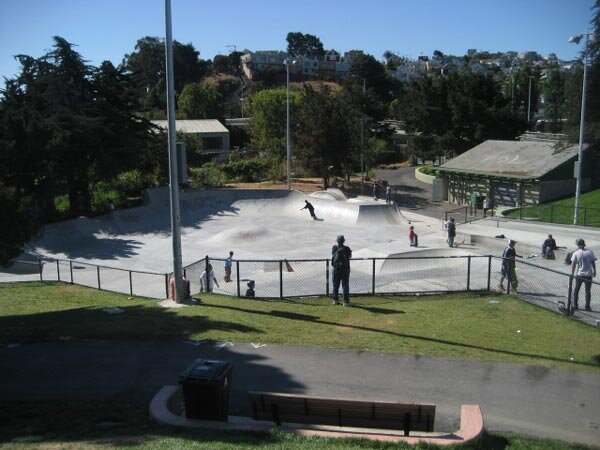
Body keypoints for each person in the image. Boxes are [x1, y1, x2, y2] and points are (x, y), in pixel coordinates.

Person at [571, 238, 596, 311]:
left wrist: (572, 273)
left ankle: (575, 305)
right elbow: (593, 262)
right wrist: (595, 271)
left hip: (580, 275)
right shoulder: (590, 252)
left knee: (576, 291)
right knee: (588, 292)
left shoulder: (576, 253)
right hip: (588, 275)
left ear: (578, 245)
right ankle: (587, 306)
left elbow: (573, 264)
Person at [331, 235, 352, 306]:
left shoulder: (334, 247)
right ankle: (346, 302)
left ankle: (335, 300)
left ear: (337, 241)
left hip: (336, 269)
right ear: (344, 241)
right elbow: (350, 257)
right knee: (345, 285)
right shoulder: (347, 248)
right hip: (345, 269)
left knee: (335, 285)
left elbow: (333, 255)